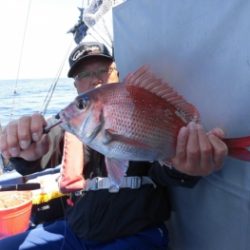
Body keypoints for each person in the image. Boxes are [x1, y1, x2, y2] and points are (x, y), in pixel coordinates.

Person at [0, 41, 228, 249]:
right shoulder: (72, 125)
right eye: (83, 74)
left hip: (137, 233)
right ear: (76, 86)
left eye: (102, 70)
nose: (95, 79)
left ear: (115, 72)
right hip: (75, 231)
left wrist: (184, 169)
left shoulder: (135, 106)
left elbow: (164, 171)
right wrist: (24, 152)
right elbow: (43, 148)